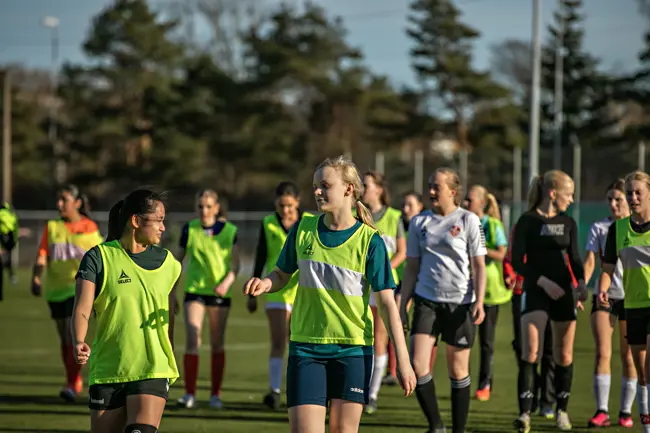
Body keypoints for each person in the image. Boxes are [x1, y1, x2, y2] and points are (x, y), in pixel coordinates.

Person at [243, 156, 416, 433]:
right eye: (315, 186)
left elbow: (387, 304)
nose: (317, 191)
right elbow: (281, 275)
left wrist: (404, 361)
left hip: (353, 350)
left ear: (349, 188)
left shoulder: (370, 241)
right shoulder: (302, 230)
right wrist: (265, 283)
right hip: (305, 348)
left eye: (325, 185)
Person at [72, 189, 181, 433]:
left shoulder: (169, 264)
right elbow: (82, 307)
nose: (163, 227)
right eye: (158, 220)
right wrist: (79, 340)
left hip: (153, 367)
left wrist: (168, 353)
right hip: (109, 370)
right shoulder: (98, 258)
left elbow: (170, 314)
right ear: (136, 221)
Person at [400, 167, 487, 433]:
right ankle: (436, 425)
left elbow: (479, 265)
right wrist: (403, 304)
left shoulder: (469, 220)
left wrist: (479, 301)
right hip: (426, 300)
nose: (431, 191)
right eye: (430, 185)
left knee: (458, 371)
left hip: (460, 303)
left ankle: (458, 430)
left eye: (436, 187)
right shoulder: (419, 222)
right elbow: (411, 268)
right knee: (418, 365)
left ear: (453, 191)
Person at [512, 170, 586, 432]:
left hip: (563, 293)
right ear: (553, 193)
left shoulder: (568, 223)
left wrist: (581, 284)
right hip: (536, 291)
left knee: (563, 355)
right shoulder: (527, 221)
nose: (572, 199)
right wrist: (542, 282)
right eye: (569, 194)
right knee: (531, 352)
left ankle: (561, 411)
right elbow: (517, 261)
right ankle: (525, 414)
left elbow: (574, 258)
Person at [31, 185, 103, 402]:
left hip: (78, 289)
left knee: (74, 336)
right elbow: (42, 254)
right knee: (64, 337)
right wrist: (36, 277)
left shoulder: (90, 227)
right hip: (56, 290)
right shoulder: (52, 227)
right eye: (59, 199)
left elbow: (100, 258)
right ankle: (73, 377)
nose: (60, 204)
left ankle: (71, 384)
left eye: (64, 199)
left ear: (77, 203)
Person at [176, 189, 240, 410]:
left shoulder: (230, 231)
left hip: (219, 294)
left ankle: (215, 395)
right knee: (193, 340)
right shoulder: (189, 229)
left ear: (216, 208)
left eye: (208, 206)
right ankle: (189, 394)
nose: (204, 211)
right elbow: (176, 262)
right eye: (200, 206)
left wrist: (226, 283)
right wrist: (170, 292)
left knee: (217, 343)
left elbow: (236, 265)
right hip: (194, 292)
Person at [249, 181, 310, 410]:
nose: (285, 210)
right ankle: (274, 390)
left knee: (299, 341)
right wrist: (252, 292)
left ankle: (298, 389)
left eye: (289, 205)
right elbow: (261, 255)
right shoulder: (268, 223)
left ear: (298, 202)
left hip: (302, 289)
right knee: (278, 340)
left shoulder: (308, 222)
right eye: (281, 205)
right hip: (274, 288)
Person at [599, 170, 650, 433]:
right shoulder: (618, 230)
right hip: (633, 307)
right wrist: (603, 288)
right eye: (629, 193)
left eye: (638, 192)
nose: (633, 198)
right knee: (642, 374)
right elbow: (608, 267)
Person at [585, 179, 636, 428]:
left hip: (632, 298)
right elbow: (590, 261)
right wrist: (581, 287)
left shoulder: (639, 227)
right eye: (610, 199)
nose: (613, 204)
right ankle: (602, 411)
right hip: (605, 295)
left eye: (618, 199)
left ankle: (625, 412)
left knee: (629, 356)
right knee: (603, 352)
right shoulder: (599, 227)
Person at [361, 171, 406, 414]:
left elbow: (402, 252)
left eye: (366, 185)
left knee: (379, 338)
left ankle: (372, 394)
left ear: (378, 189)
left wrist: (382, 271)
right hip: (360, 286)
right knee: (362, 337)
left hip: (384, 286)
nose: (362, 189)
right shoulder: (357, 215)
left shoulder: (393, 216)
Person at [503, 224, 557, 419]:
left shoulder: (560, 225)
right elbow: (511, 256)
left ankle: (547, 400)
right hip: (522, 291)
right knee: (522, 347)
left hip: (551, 292)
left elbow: (566, 258)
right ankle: (530, 393)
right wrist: (509, 273)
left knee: (550, 349)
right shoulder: (522, 225)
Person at [466, 185, 509, 402]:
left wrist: (479, 250)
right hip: (465, 289)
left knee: (486, 342)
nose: (466, 203)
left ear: (482, 203)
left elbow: (503, 254)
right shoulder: (463, 222)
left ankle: (485, 384)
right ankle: (461, 381)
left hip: (490, 292)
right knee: (464, 340)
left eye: (470, 200)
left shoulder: (492, 225)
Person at [384, 191, 431, 386]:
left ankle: (425, 369)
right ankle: (393, 369)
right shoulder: (399, 225)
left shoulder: (426, 226)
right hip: (401, 280)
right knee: (395, 318)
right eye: (404, 204)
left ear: (420, 206)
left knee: (425, 327)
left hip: (422, 281)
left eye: (410, 205)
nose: (405, 209)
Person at [0, 202, 18, 300]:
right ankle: (11, 276)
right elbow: (15, 228)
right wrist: (14, 242)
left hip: (3, 238)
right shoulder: (11, 215)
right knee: (8, 260)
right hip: (9, 239)